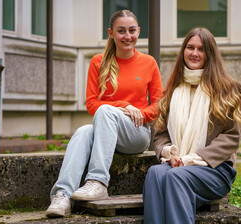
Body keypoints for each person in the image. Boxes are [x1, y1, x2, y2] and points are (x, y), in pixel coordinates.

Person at [45, 9, 163, 217]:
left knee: (106, 110)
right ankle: (62, 195)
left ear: (138, 31)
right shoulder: (98, 62)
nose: (128, 36)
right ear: (110, 33)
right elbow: (91, 103)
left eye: (132, 30)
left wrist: (140, 114)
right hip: (106, 130)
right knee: (83, 131)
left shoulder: (149, 62)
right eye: (121, 31)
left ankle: (98, 181)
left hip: (136, 133)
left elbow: (158, 105)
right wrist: (124, 105)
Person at [142, 27, 241, 224]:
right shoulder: (173, 90)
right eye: (190, 47)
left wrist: (193, 159)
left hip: (215, 169)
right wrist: (170, 152)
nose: (194, 53)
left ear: (209, 54)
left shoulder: (227, 89)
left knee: (176, 177)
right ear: (183, 51)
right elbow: (160, 134)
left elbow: (232, 137)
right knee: (155, 173)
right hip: (178, 164)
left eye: (201, 49)